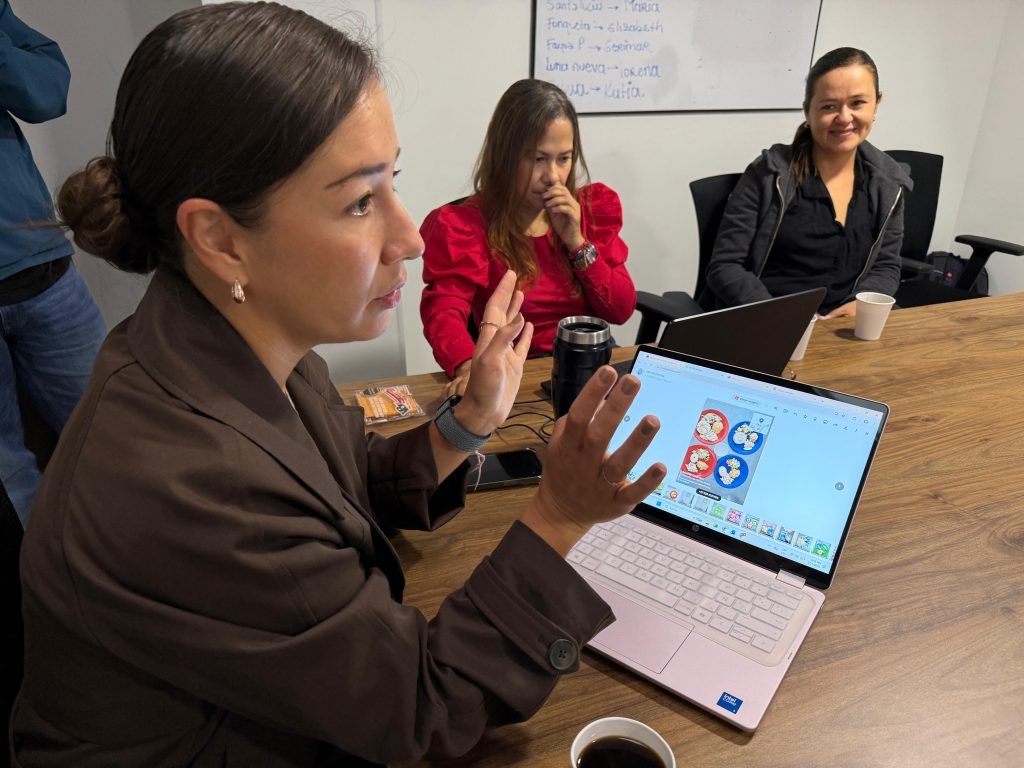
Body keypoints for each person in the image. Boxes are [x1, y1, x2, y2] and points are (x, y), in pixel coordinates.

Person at [11, 4, 666, 766]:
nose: (409, 238)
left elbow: (348, 481)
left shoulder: (243, 345)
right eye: (360, 201)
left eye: (393, 182)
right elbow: (420, 710)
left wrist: (470, 419)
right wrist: (558, 517)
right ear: (219, 239)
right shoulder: (197, 480)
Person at [419, 79, 636, 396]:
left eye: (564, 158)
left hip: (589, 363)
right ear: (505, 157)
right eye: (538, 159)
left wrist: (576, 241)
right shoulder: (465, 225)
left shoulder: (590, 208)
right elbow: (444, 312)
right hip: (516, 370)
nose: (553, 176)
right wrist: (467, 368)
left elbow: (621, 310)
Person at [705, 47, 912, 318]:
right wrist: (781, 315)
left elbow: (886, 265)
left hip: (845, 327)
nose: (844, 117)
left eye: (857, 103)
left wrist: (862, 304)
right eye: (829, 106)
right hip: (768, 320)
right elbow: (725, 266)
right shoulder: (769, 174)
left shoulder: (888, 182)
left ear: (876, 104)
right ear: (808, 111)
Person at [0, 0, 106, 528]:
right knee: (10, 477)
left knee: (115, 430)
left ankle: (147, 564)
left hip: (42, 271)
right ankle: (45, 579)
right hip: (34, 258)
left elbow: (47, 93)